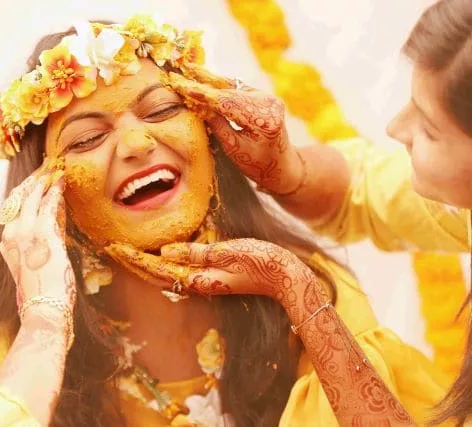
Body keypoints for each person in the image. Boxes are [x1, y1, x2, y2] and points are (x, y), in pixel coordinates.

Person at [0, 16, 446, 426]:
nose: (136, 144)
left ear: (212, 138)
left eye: (159, 112)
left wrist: (300, 293)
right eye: (87, 140)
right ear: (43, 195)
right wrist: (44, 327)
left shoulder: (310, 295)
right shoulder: (10, 367)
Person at [176, 0, 471, 425]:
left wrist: (302, 295)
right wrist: (284, 168)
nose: (396, 129)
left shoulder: (332, 297)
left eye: (428, 128)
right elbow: (363, 188)